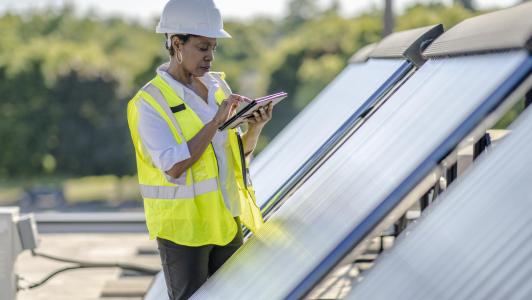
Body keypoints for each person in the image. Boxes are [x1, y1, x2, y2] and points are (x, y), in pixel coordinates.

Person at [126, 0, 271, 298]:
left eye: (214, 48)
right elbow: (174, 166)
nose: (210, 57)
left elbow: (232, 157)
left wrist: (254, 129)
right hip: (185, 233)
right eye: (203, 47)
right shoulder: (149, 103)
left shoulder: (219, 88)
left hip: (227, 221)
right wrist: (216, 122)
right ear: (177, 43)